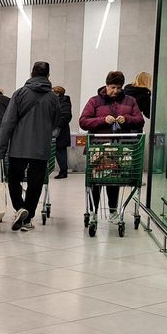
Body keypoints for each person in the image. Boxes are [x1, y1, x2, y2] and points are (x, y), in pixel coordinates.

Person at [0, 61, 60, 231]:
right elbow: (56, 123)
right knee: (35, 182)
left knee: (14, 179)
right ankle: (28, 216)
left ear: (31, 73)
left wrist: (0, 150)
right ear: (48, 75)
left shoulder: (20, 94)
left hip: (18, 147)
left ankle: (20, 208)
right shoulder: (53, 97)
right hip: (41, 148)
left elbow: (8, 123)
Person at [79, 71, 144, 222]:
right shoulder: (94, 101)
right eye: (112, 87)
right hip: (98, 148)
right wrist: (102, 120)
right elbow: (83, 121)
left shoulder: (130, 101)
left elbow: (139, 120)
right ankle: (93, 211)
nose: (115, 91)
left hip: (120, 148)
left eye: (119, 88)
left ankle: (113, 210)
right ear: (106, 85)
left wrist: (126, 119)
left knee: (114, 179)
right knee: (95, 180)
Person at [52, 86, 73, 179]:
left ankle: (63, 171)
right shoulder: (60, 102)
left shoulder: (63, 102)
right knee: (59, 152)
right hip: (59, 131)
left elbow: (66, 116)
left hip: (61, 132)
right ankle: (63, 171)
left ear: (57, 93)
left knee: (60, 152)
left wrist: (55, 124)